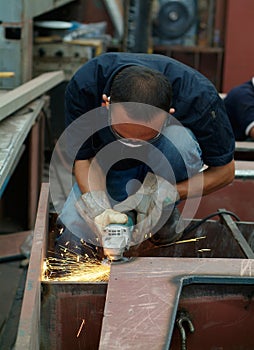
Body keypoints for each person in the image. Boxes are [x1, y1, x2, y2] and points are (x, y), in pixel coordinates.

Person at [55, 52, 235, 255]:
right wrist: (99, 210)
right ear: (106, 104)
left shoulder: (199, 98)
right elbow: (83, 159)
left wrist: (169, 194)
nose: (136, 147)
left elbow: (225, 172)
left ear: (169, 114)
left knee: (180, 143)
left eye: (147, 138)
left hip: (164, 172)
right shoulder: (86, 86)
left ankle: (163, 215)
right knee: (72, 227)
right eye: (124, 137)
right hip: (106, 168)